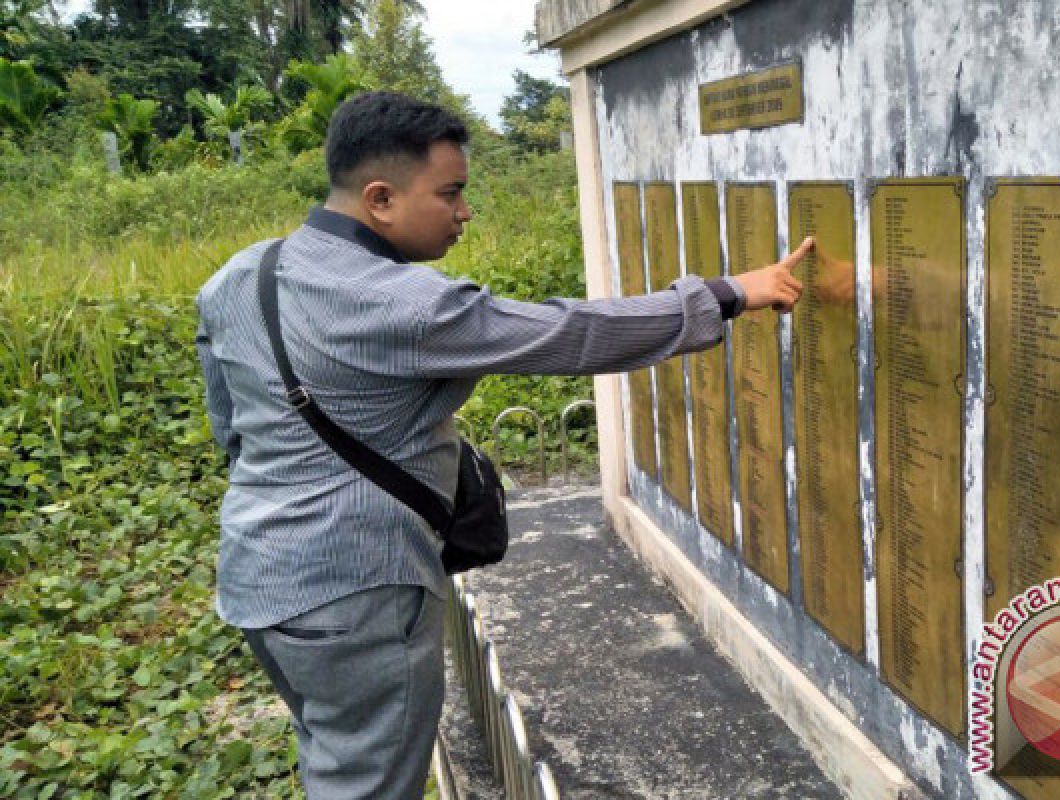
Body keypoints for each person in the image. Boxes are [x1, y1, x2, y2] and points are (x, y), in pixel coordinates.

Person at [195, 91, 811, 799]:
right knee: (368, 783)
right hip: (358, 592)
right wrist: (729, 292)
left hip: (257, 576)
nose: (464, 212)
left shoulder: (239, 277)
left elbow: (231, 427)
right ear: (380, 198)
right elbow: (570, 333)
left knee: (335, 755)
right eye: (451, 193)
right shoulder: (404, 305)